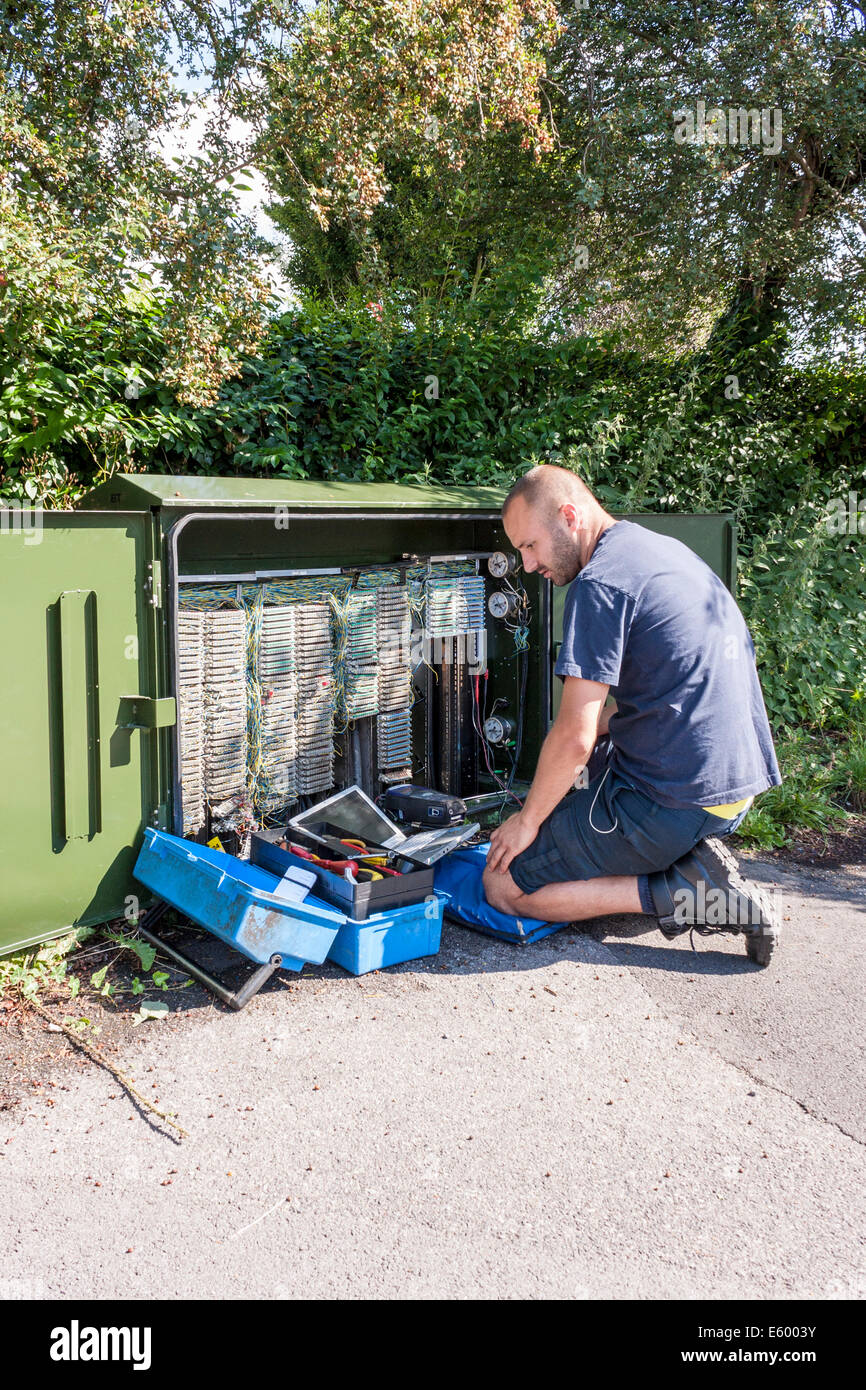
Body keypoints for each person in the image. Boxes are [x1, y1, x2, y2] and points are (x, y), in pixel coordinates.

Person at [483, 464, 782, 963]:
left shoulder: (599, 585)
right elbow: (658, 688)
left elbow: (574, 736)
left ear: (569, 516)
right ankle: (683, 855)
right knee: (588, 758)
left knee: (502, 884)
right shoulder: (658, 551)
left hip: (675, 803)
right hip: (736, 786)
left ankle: (690, 889)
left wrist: (527, 821)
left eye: (530, 546)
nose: (528, 565)